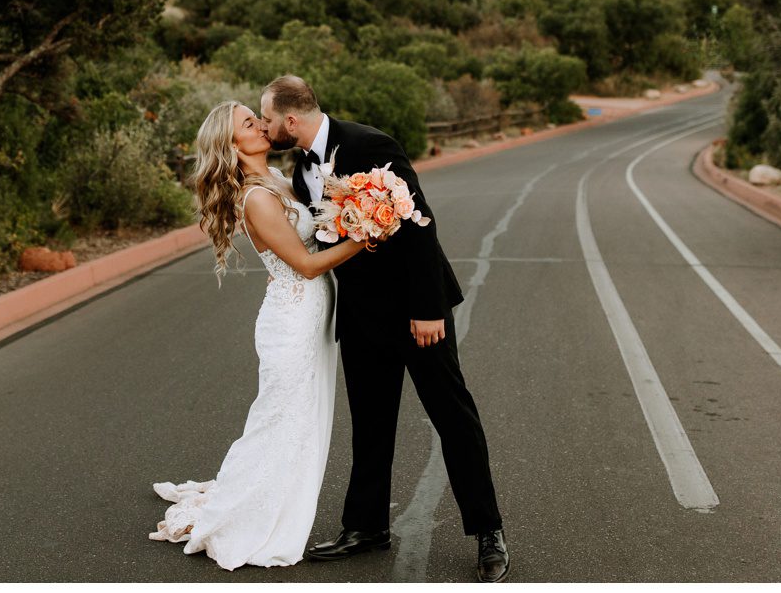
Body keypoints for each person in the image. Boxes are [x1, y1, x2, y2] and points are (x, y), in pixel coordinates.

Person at [260, 75, 510, 583]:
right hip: (359, 315)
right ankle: (366, 526)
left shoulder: (371, 145)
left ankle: (488, 532)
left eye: (266, 119)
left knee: (452, 416)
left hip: (417, 312)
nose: (265, 128)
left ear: (290, 119)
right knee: (371, 425)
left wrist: (428, 308)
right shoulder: (301, 166)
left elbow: (419, 226)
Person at [149, 102, 365, 570]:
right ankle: (249, 515)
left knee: (301, 418)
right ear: (232, 145)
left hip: (310, 316)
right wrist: (367, 237)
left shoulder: (280, 182)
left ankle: (281, 500)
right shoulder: (257, 197)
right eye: (249, 123)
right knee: (279, 418)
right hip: (291, 320)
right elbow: (306, 266)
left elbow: (308, 241)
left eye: (257, 117)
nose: (261, 126)